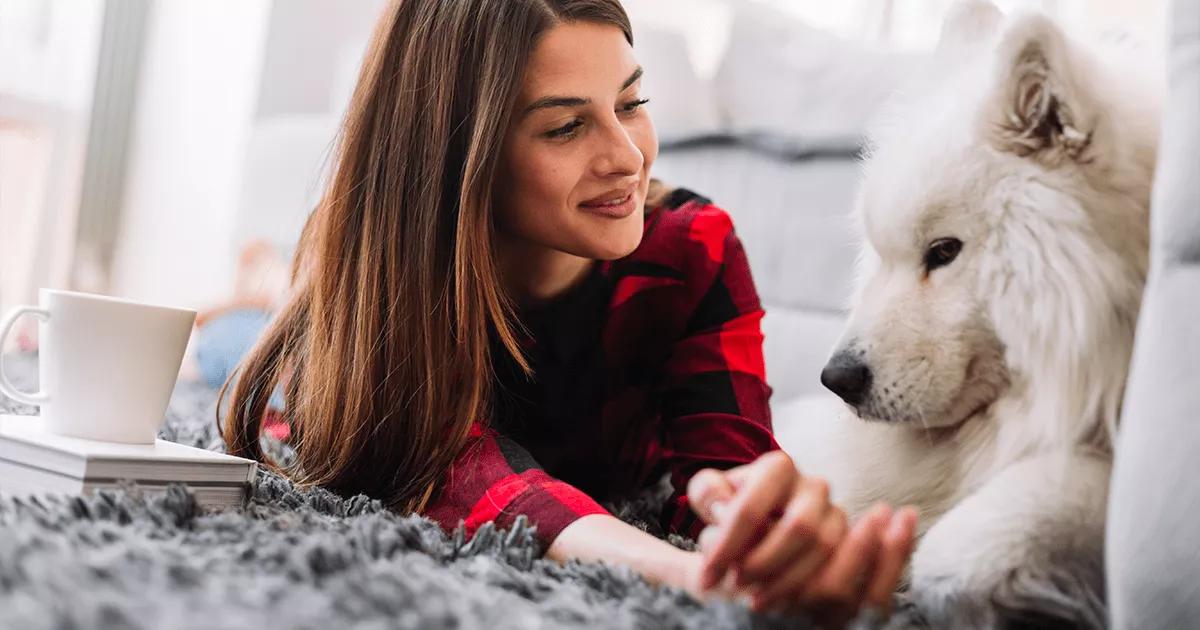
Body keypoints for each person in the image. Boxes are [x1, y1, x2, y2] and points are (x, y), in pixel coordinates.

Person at [219, 0, 917, 626]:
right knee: (239, 346)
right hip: (324, 345)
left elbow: (729, 465)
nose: (625, 157)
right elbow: (455, 472)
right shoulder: (382, 265)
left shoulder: (691, 246)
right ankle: (256, 288)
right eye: (565, 127)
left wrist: (767, 535)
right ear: (466, 155)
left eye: (632, 102)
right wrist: (691, 578)